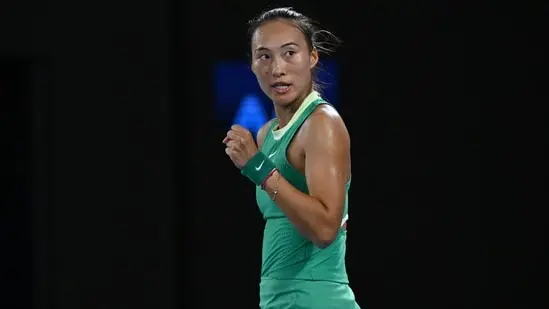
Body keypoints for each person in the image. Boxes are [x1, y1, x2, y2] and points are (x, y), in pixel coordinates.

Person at [223, 7, 360, 309]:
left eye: (289, 53)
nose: (277, 69)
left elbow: (325, 229)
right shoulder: (266, 133)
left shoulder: (321, 124)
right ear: (253, 65)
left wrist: (258, 167)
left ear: (312, 58)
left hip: (316, 300)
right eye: (264, 56)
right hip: (278, 300)